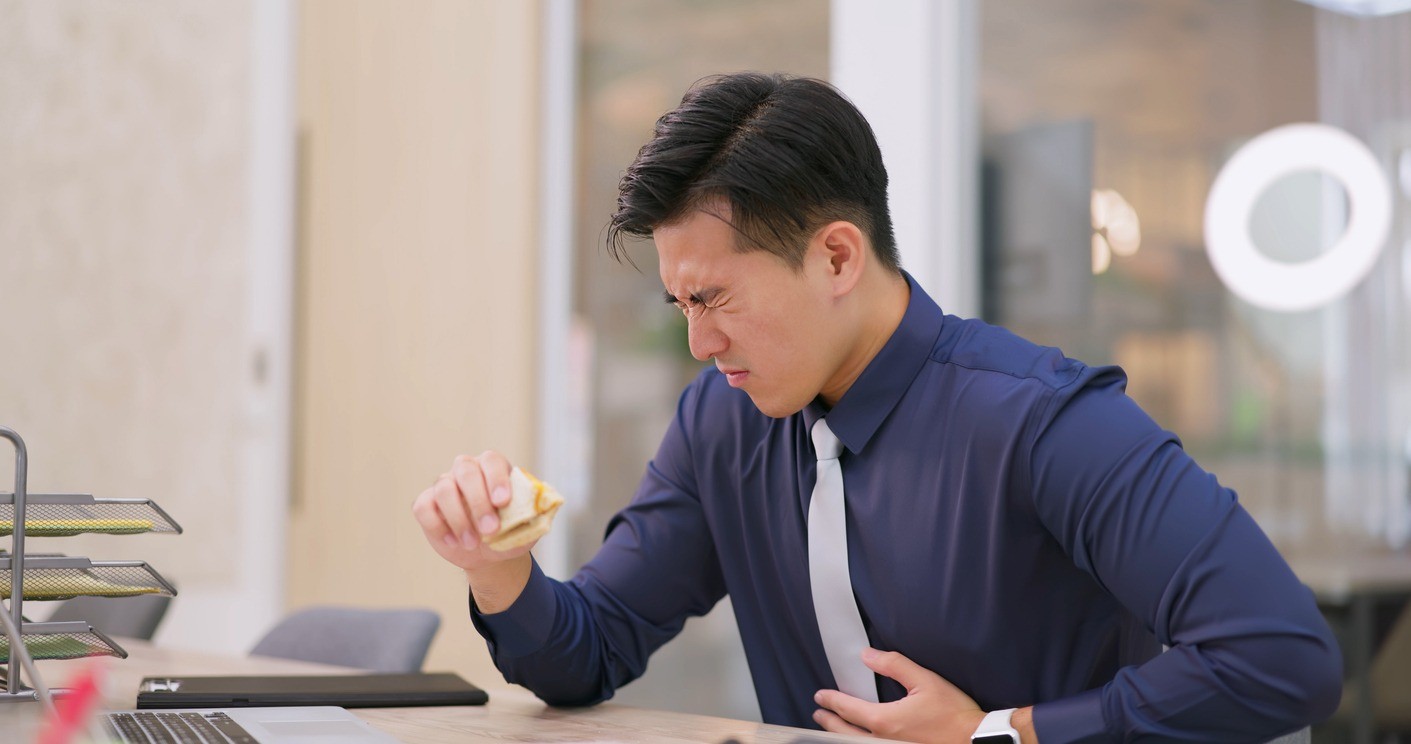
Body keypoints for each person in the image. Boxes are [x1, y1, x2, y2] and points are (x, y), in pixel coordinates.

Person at [411, 72, 1342, 742]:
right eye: (680, 304)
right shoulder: (720, 425)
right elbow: (588, 655)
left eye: (716, 300)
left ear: (838, 259)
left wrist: (1001, 735)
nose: (698, 344)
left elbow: (1279, 656)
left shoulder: (1040, 419)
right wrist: (499, 572)